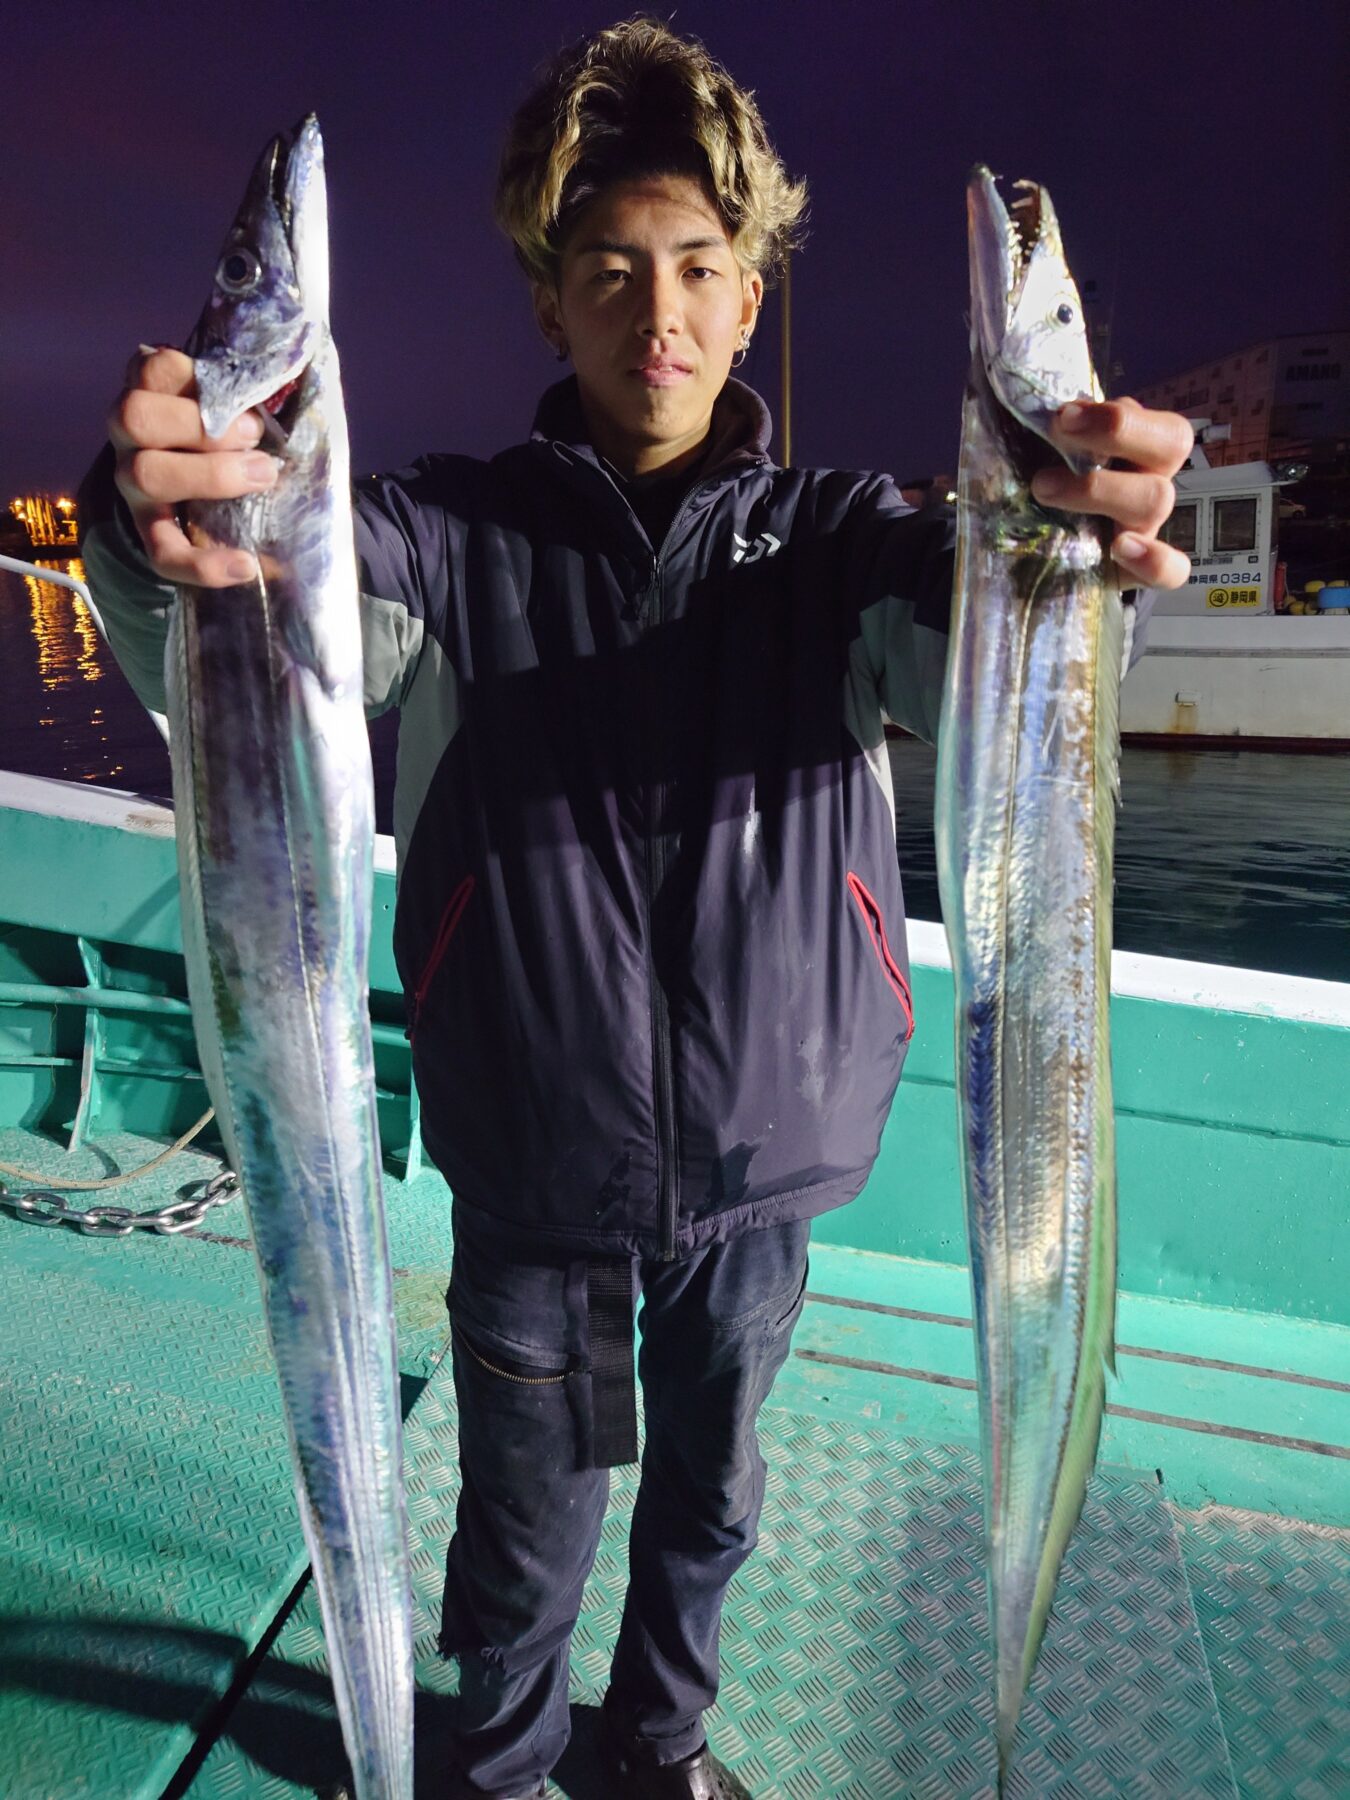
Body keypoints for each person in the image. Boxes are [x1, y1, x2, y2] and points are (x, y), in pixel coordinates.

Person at [78, 19, 1193, 1799]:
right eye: (607, 270)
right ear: (551, 305)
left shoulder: (847, 543)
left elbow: (971, 657)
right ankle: (497, 1762)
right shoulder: (442, 537)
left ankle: (657, 1749)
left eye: (694, 267)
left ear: (747, 301)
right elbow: (263, 620)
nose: (653, 311)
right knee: (527, 1519)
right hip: (536, 1165)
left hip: (763, 1163)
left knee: (709, 1497)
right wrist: (150, 534)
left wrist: (1069, 546)